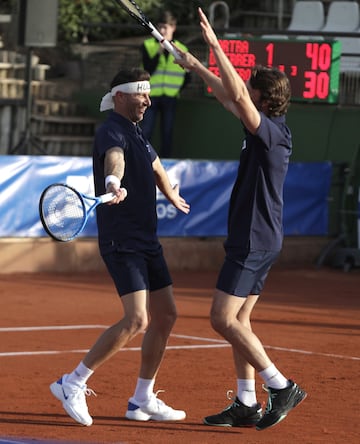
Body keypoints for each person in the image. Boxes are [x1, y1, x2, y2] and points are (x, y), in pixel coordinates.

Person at [174, 8, 307, 431]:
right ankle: (247, 402)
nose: (244, 95)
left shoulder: (269, 133)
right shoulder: (266, 127)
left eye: (252, 93)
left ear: (265, 100)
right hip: (258, 238)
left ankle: (280, 385)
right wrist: (196, 65)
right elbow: (230, 96)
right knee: (240, 321)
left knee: (222, 319)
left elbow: (240, 98)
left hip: (253, 239)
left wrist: (215, 46)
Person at [49, 67, 190, 426]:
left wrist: (171, 193)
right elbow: (117, 158)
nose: (148, 99)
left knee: (167, 315)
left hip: (147, 240)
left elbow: (156, 166)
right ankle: (72, 382)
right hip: (122, 240)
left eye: (148, 93)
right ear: (121, 96)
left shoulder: (138, 133)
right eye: (142, 94)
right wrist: (113, 181)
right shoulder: (111, 129)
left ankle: (142, 399)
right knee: (138, 318)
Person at [140, 10, 190, 158]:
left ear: (173, 28)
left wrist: (177, 90)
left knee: (167, 132)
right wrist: (159, 52)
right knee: (146, 130)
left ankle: (166, 162)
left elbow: (188, 76)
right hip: (151, 96)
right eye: (160, 27)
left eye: (165, 27)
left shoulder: (182, 49)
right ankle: (142, 158)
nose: (162, 31)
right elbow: (148, 68)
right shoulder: (148, 45)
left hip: (170, 97)